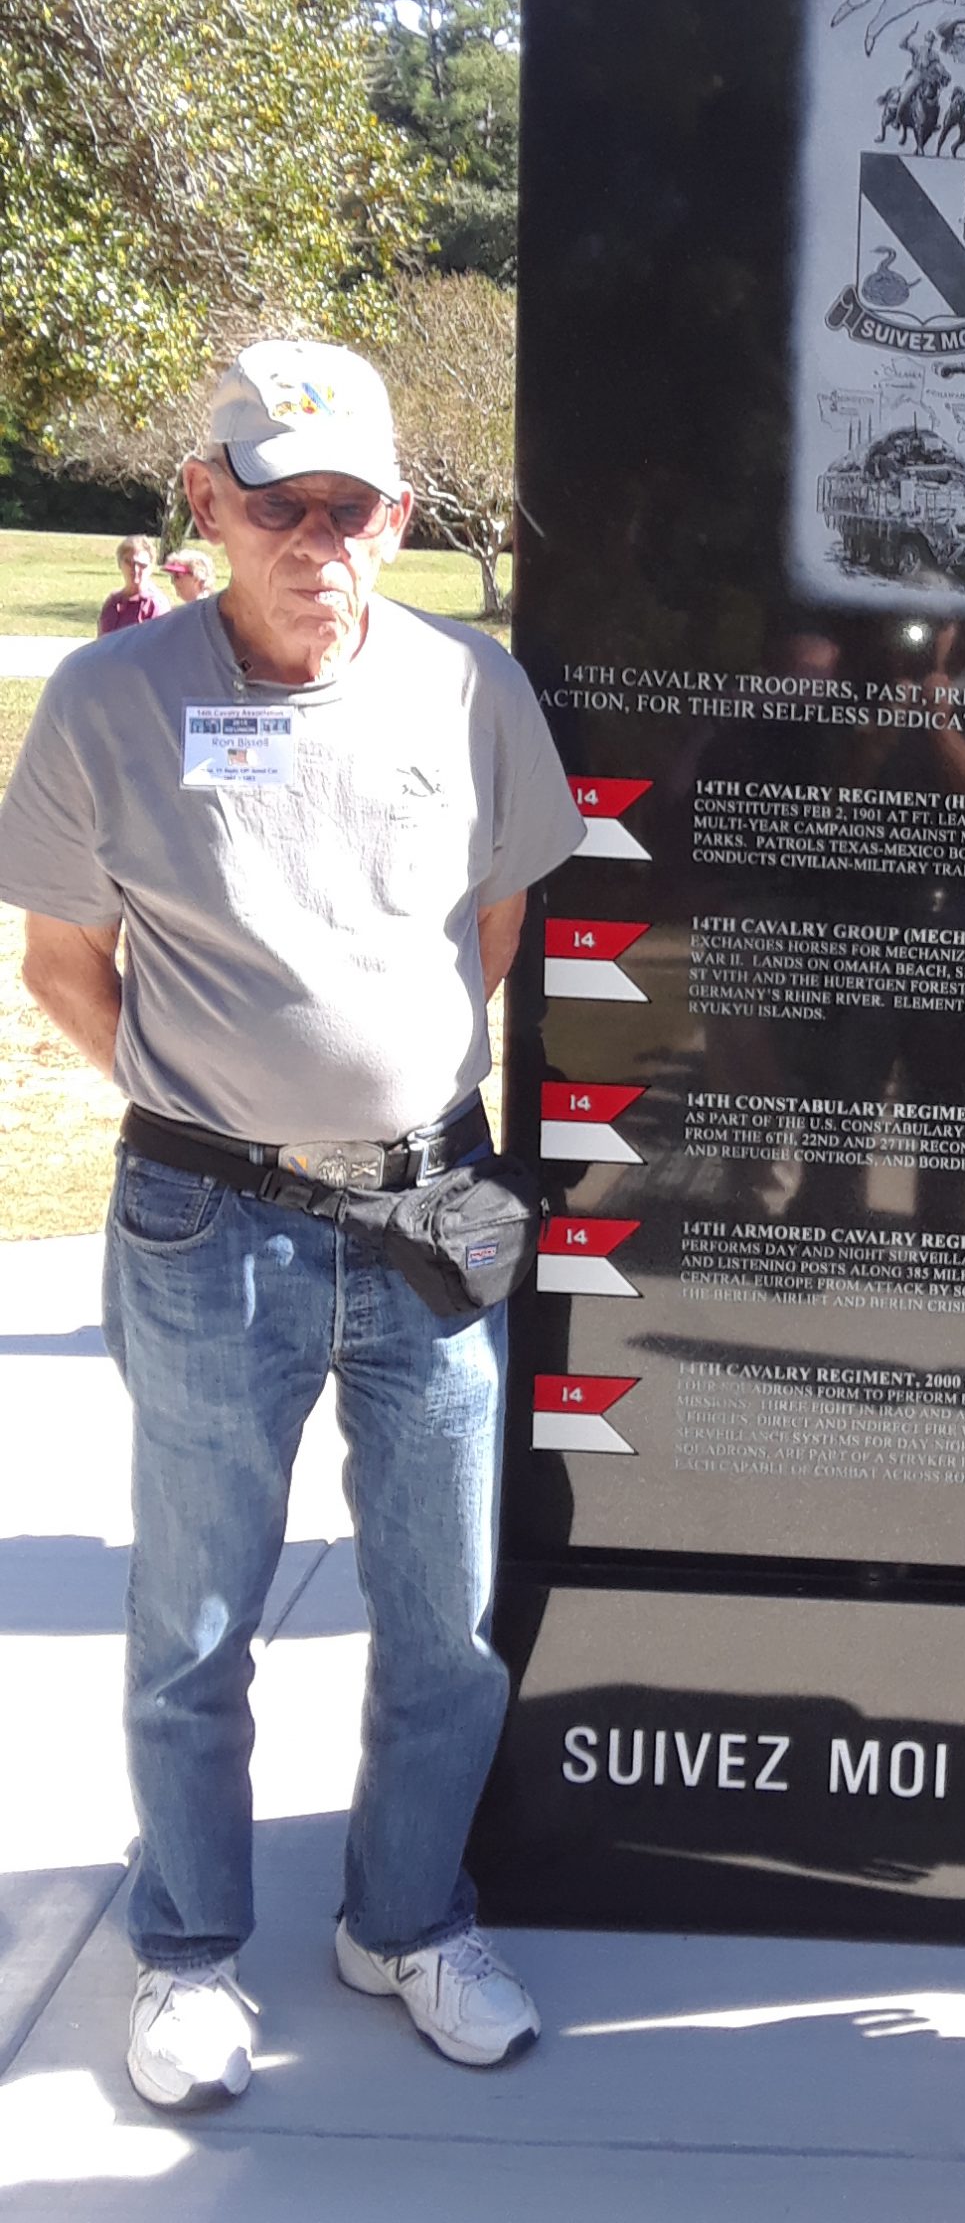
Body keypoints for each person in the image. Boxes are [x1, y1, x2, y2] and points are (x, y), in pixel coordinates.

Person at [0, 340, 583, 2114]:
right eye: (278, 501)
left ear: (401, 511)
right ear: (209, 506)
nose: (317, 536)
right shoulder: (110, 703)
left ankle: (408, 1922)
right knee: (193, 1617)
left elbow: (490, 931)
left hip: (429, 1200)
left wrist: (362, 1099)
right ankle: (185, 1952)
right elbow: (63, 964)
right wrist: (231, 1109)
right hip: (207, 1222)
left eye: (353, 504)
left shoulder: (468, 685)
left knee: (444, 1618)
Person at [97, 535, 169, 635]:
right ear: (119, 564)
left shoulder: (155, 604)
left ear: (151, 567)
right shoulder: (112, 602)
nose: (135, 570)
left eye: (142, 565)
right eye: (129, 563)